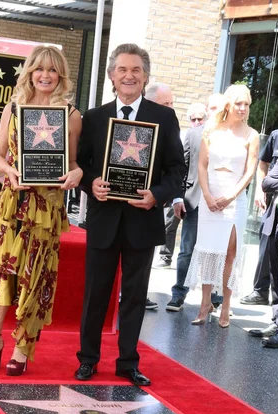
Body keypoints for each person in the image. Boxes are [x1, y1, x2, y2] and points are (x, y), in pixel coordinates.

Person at [75, 43, 185, 386]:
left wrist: (158, 196)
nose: (129, 75)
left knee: (135, 296)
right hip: (103, 220)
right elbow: (81, 165)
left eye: (136, 70)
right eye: (122, 69)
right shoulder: (94, 117)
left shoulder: (164, 117)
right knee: (96, 294)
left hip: (143, 220)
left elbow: (176, 168)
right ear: (111, 76)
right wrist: (92, 184)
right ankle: (88, 359)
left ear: (145, 76)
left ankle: (128, 362)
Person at [0, 45, 83, 376]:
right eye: (39, 69)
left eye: (52, 70)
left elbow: (73, 162)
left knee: (36, 275)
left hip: (46, 208)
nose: (45, 75)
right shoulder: (14, 108)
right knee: (3, 271)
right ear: (30, 72)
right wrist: (10, 171)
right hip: (12, 203)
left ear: (60, 75)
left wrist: (76, 174)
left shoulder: (72, 115)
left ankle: (22, 345)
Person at [184, 84, 259, 327]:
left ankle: (226, 305)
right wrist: (206, 194)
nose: (243, 108)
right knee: (207, 251)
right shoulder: (211, 130)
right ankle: (204, 304)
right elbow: (202, 165)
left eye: (247, 104)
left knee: (230, 253)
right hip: (210, 196)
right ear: (228, 103)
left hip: (234, 199)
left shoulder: (252, 135)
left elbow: (249, 172)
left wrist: (231, 196)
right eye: (239, 103)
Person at [166, 94, 225, 312]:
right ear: (208, 110)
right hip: (195, 201)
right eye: (213, 107)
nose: (217, 110)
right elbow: (181, 167)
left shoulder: (232, 136)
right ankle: (178, 294)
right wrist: (177, 197)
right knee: (187, 250)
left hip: (221, 205)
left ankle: (215, 298)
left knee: (216, 252)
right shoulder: (193, 134)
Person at [241, 97, 278, 306]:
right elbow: (263, 164)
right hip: (274, 202)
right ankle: (260, 290)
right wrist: (259, 190)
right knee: (267, 246)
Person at [154, 102, 208, 272]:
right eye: (194, 119)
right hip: (181, 188)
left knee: (191, 234)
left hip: (197, 192)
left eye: (201, 118)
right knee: (170, 223)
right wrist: (176, 192)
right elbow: (180, 165)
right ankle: (165, 255)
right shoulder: (185, 135)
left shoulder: (205, 136)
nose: (198, 122)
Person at [144, 82, 175, 310]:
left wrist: (158, 194)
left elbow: (175, 166)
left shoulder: (169, 124)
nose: (171, 107)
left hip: (148, 209)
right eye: (167, 103)